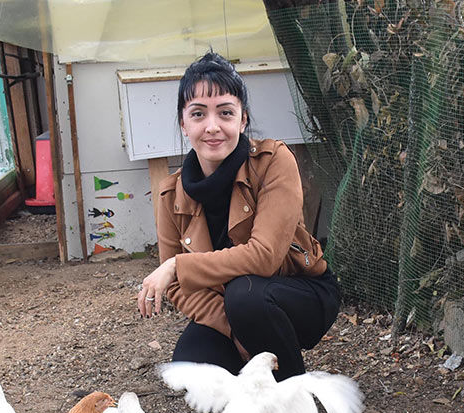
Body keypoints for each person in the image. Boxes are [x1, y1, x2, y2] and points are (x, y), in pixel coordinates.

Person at [138, 52, 341, 381]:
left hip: (300, 294)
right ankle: (252, 383)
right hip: (233, 308)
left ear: (243, 119)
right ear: (183, 123)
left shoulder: (274, 161)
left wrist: (178, 265)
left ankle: (292, 393)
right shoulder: (170, 193)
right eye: (199, 114)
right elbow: (179, 291)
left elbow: (265, 257)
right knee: (192, 365)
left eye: (225, 113)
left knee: (246, 296)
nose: (212, 126)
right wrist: (231, 329)